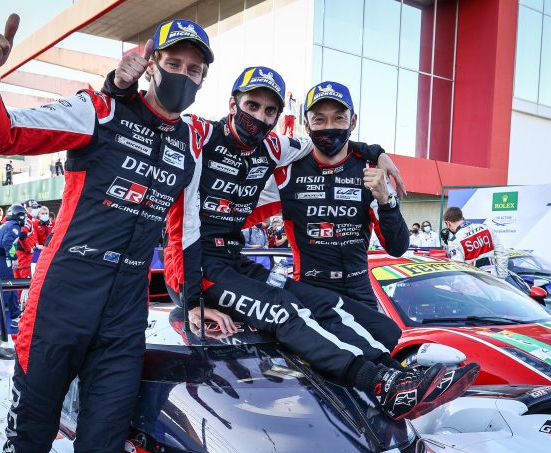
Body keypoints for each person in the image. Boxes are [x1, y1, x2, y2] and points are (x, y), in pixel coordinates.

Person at [0, 14, 229, 453]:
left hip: (126, 310)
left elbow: (183, 234)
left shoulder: (193, 141)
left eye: (193, 69)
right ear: (151, 64)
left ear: (203, 79)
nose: (182, 75)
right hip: (63, 294)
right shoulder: (100, 110)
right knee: (29, 441)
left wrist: (190, 305)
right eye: (173, 62)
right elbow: (3, 135)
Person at [138, 66, 477, 423]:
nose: (259, 117)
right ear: (232, 102)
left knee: (336, 310)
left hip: (257, 264)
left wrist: (377, 153)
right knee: (284, 310)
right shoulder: (201, 136)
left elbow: (394, 240)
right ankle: (382, 382)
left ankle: (398, 376)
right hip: (198, 268)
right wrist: (191, 301)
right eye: (251, 105)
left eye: (269, 111)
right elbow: (156, 122)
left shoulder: (281, 150)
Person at [254, 81, 410, 312]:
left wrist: (387, 202)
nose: (329, 126)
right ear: (306, 125)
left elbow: (398, 247)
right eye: (319, 119)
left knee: (382, 343)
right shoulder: (287, 172)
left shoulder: (371, 170)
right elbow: (237, 218)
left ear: (353, 121)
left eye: (338, 118)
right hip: (309, 295)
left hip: (359, 295)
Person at [443, 206, 509, 278]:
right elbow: (502, 254)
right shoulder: (486, 228)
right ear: (462, 218)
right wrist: (501, 278)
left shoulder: (454, 241)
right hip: (493, 281)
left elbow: (458, 270)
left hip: (473, 284)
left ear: (448, 223)